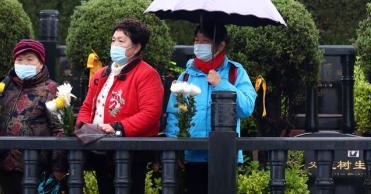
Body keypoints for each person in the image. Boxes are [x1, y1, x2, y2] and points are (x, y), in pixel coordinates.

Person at [165, 23, 257, 194]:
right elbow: (174, 113)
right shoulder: (187, 74)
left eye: (205, 41)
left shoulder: (235, 72)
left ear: (220, 45)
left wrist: (221, 83)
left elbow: (247, 108)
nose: (198, 45)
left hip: (224, 152)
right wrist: (174, 147)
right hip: (192, 154)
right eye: (196, 40)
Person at [77, 19, 164, 194]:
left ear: (137, 47)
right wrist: (83, 127)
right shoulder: (102, 73)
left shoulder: (147, 74)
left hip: (130, 152)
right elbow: (87, 107)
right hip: (99, 148)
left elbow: (150, 113)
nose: (114, 44)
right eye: (113, 40)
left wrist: (117, 127)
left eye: (121, 41)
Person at [0, 40, 66, 194]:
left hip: (34, 165)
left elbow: (59, 129)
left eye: (29, 59)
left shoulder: (51, 90)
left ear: (40, 63)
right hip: (3, 163)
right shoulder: (5, 86)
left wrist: (58, 168)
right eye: (19, 60)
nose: (24, 63)